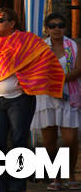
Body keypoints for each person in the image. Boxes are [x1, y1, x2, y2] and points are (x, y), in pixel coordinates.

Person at [0, 6, 65, 192]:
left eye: (0, 20)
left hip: (19, 100)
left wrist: (34, 81)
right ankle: (0, 188)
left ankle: (17, 189)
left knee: (18, 144)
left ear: (12, 23)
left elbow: (46, 58)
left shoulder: (26, 40)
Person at [31, 13, 81, 190]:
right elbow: (35, 70)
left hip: (68, 96)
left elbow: (79, 69)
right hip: (46, 96)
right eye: (52, 26)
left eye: (60, 25)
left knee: (71, 138)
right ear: (47, 29)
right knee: (49, 141)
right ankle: (56, 176)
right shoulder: (41, 47)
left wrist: (59, 81)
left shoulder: (73, 46)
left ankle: (71, 173)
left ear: (65, 28)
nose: (56, 29)